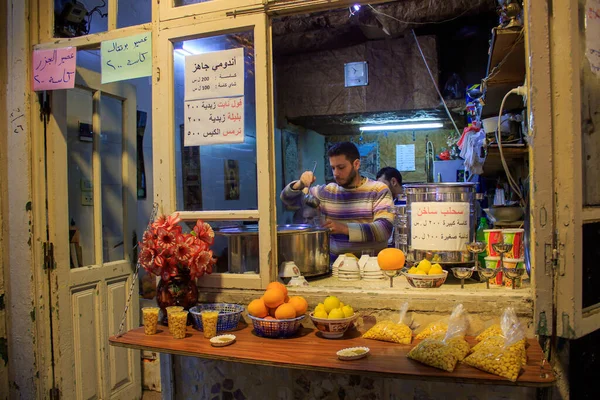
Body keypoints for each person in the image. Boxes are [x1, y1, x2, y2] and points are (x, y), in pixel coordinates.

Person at [280, 141, 394, 257]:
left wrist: (344, 228)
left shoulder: (378, 190)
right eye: (333, 168)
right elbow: (287, 200)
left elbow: (384, 229)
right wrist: (300, 184)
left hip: (371, 269)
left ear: (356, 164)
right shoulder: (327, 192)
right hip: (335, 267)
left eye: (341, 167)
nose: (336, 173)